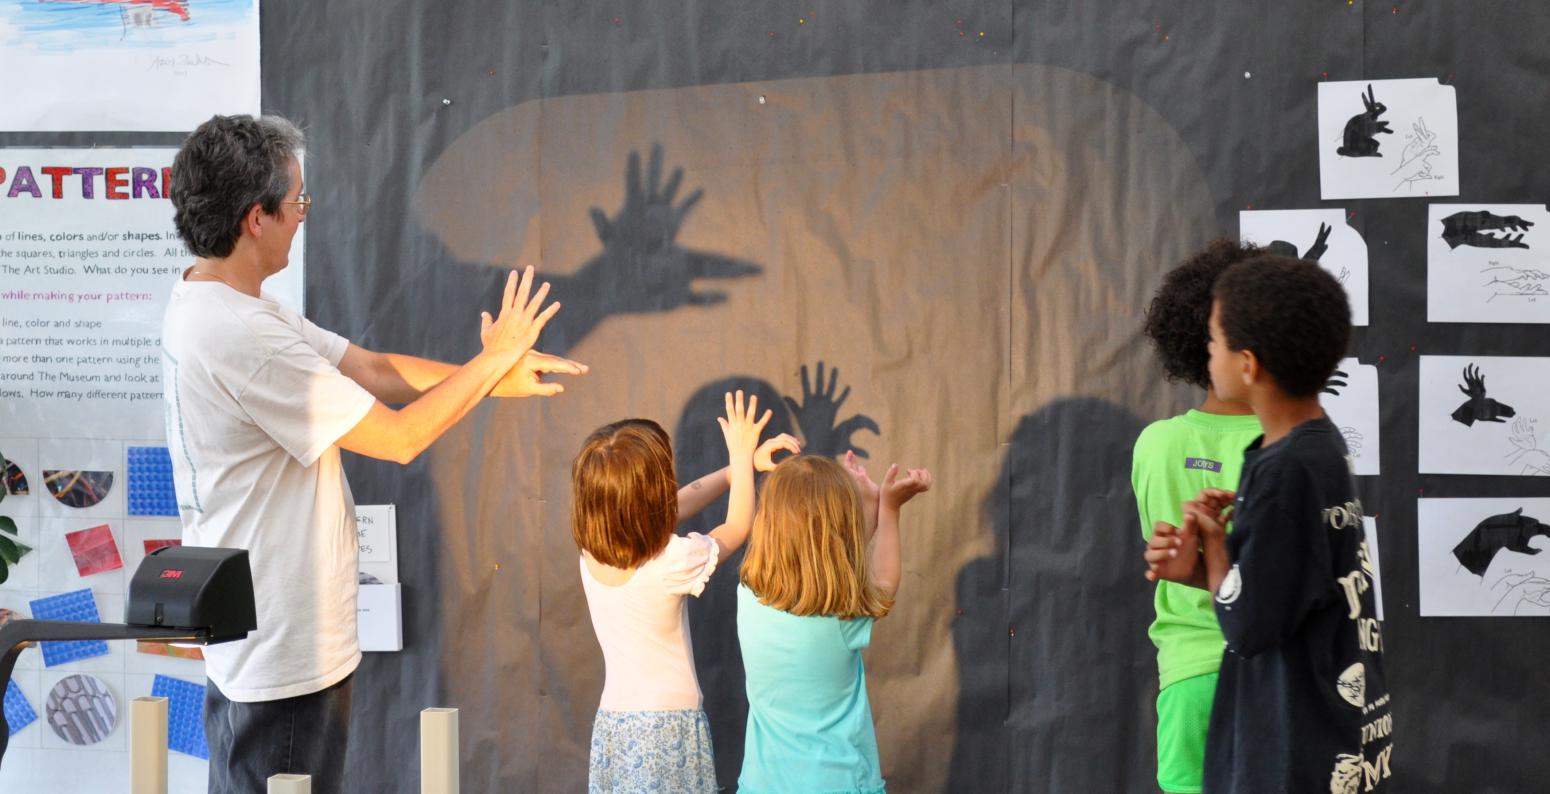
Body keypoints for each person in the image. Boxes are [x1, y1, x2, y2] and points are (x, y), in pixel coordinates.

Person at [162, 113, 585, 793]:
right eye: (298, 201)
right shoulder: (242, 335)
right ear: (254, 219)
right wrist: (492, 361)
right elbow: (400, 437)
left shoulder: (220, 302)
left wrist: (493, 378)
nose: (305, 215)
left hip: (270, 646)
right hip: (282, 659)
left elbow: (373, 367)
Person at [1146, 254, 1393, 793]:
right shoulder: (1320, 445)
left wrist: (1214, 551)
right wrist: (1214, 550)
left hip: (1292, 738)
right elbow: (1288, 592)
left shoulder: (1283, 470)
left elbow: (1251, 624)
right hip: (1335, 719)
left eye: (1213, 339)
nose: (1206, 350)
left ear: (1249, 365)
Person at [571, 392, 798, 793]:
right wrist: (741, 452)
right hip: (666, 727)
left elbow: (677, 504)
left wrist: (738, 469)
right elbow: (737, 527)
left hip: (614, 724)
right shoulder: (671, 561)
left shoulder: (592, 552)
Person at [1132, 240, 1265, 794]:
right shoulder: (1288, 444)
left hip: (1186, 677)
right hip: (1270, 675)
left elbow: (1162, 549)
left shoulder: (1155, 445)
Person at [735, 452, 931, 794]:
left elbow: (829, 566)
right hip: (838, 783)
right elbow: (880, 580)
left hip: (763, 784)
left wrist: (872, 502)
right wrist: (888, 509)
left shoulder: (748, 596)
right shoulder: (843, 615)